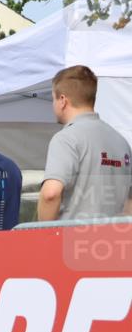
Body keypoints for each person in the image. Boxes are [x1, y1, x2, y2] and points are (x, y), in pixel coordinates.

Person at [38, 65, 132, 221]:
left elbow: (50, 194)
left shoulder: (66, 139)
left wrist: (42, 235)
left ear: (62, 100)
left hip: (71, 240)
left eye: (53, 98)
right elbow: (129, 203)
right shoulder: (121, 142)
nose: (53, 105)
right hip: (112, 240)